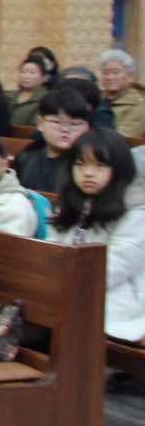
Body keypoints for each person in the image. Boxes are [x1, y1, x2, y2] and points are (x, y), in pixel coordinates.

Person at [54, 129, 145, 344]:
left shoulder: (137, 212)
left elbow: (115, 267)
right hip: (72, 287)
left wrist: (61, 284)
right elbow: (53, 250)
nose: (88, 173)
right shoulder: (74, 204)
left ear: (120, 169)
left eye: (100, 165)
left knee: (61, 313)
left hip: (119, 298)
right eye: (80, 164)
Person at [12, 88, 92, 194]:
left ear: (86, 127)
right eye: (57, 122)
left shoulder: (89, 164)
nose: (65, 129)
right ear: (40, 123)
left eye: (74, 124)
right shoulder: (26, 157)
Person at [100, 50, 145, 138]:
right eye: (106, 73)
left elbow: (122, 138)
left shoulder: (139, 106)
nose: (109, 77)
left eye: (115, 72)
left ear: (131, 76)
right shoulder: (97, 98)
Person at [8, 56, 50, 128]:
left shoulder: (45, 99)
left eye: (32, 72)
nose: (26, 76)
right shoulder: (10, 96)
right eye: (23, 71)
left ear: (43, 77)